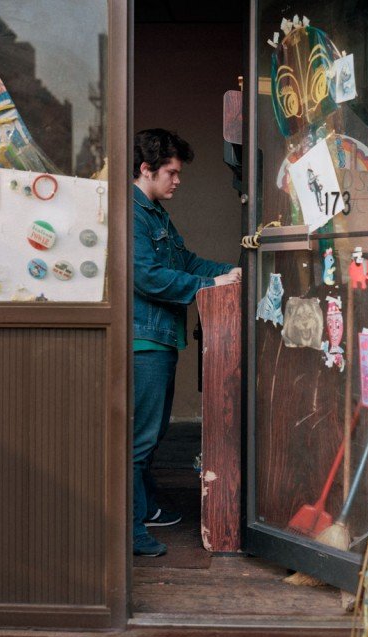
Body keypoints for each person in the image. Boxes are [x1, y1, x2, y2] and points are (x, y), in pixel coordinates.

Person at [133, 129, 241, 557]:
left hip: (158, 338)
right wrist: (211, 284)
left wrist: (230, 271)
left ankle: (147, 508)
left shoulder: (155, 214)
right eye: (172, 173)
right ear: (146, 169)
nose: (178, 180)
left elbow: (187, 261)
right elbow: (147, 277)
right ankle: (131, 532)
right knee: (139, 440)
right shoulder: (132, 214)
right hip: (143, 341)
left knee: (151, 435)